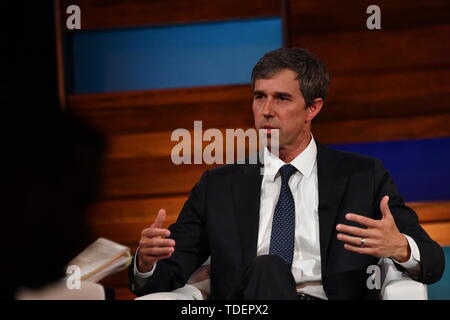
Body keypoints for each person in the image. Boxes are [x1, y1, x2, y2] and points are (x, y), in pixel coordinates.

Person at [128, 48, 445, 300]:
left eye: (281, 98)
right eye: (259, 96)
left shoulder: (363, 176)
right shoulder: (219, 186)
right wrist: (145, 262)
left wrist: (401, 247)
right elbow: (162, 276)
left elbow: (433, 261)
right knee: (267, 268)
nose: (265, 110)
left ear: (313, 108)